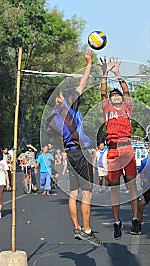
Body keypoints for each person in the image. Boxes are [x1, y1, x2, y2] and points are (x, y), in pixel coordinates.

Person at [43, 49, 102, 246]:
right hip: (81, 152)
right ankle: (87, 230)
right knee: (87, 193)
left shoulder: (50, 120)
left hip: (70, 154)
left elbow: (54, 140)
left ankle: (76, 228)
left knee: (73, 193)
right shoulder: (68, 105)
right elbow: (83, 84)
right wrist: (88, 63)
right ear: (58, 97)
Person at [100, 56, 139, 239]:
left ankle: (136, 219)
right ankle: (117, 222)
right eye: (113, 95)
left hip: (127, 150)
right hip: (113, 151)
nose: (115, 97)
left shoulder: (127, 108)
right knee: (114, 188)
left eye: (118, 95)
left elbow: (126, 90)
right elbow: (102, 92)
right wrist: (105, 73)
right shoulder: (107, 109)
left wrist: (118, 73)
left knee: (132, 187)